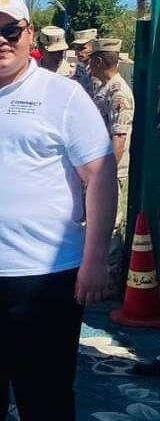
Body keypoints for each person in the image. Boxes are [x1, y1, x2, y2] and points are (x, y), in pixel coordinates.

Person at [0, 0, 116, 420]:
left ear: (29, 33)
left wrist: (94, 260)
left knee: (45, 398)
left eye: (11, 31)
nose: (1, 41)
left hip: (43, 281)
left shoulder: (64, 96)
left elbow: (101, 176)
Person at [89, 38, 135, 288]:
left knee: (110, 225)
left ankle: (109, 282)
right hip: (98, 170)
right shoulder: (104, 88)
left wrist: (103, 175)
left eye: (91, 60)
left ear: (98, 61)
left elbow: (119, 138)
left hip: (111, 172)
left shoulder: (118, 93)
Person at [70, 28, 97, 96]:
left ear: (94, 46)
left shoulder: (98, 71)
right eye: (76, 48)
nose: (78, 53)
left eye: (82, 48)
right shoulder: (78, 69)